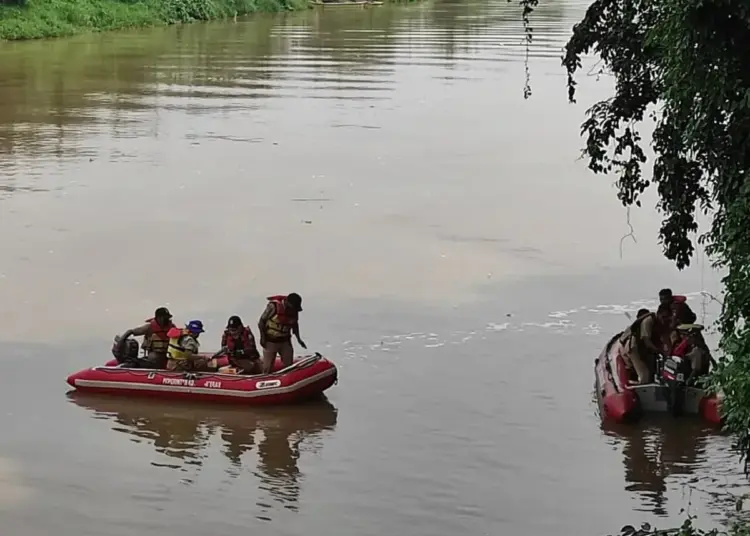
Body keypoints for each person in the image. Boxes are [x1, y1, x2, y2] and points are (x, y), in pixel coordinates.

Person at [258, 293, 307, 374]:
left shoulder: (294, 310)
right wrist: (262, 337)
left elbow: (295, 324)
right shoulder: (273, 307)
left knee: (289, 365)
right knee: (267, 367)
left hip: (285, 341)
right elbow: (261, 322)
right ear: (287, 302)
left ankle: (289, 380)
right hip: (271, 340)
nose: (293, 309)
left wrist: (299, 339)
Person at [618, 310, 666, 385]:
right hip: (634, 348)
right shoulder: (648, 321)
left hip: (640, 348)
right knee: (645, 374)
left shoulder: (658, 323)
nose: (664, 320)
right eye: (663, 317)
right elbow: (646, 340)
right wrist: (659, 351)